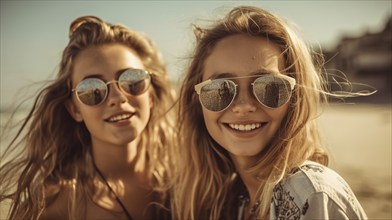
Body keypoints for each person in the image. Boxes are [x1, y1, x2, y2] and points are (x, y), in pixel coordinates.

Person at [172, 5, 368, 220]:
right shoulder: (233, 197)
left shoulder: (313, 194)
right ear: (197, 100)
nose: (243, 105)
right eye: (221, 88)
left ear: (295, 98)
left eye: (269, 87)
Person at [0, 15, 175, 219]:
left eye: (132, 80)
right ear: (74, 109)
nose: (118, 98)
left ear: (151, 96)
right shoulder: (57, 204)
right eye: (92, 90)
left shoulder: (189, 172)